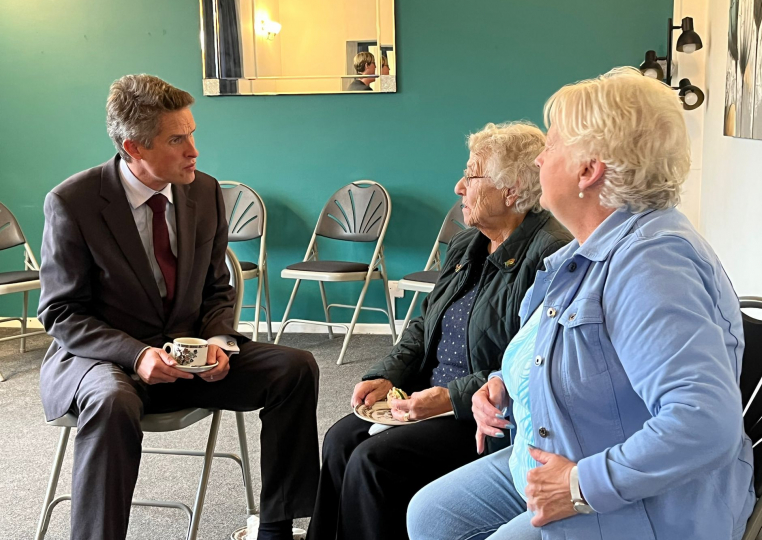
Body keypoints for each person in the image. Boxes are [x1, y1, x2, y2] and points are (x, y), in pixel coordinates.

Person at [408, 67, 756, 540]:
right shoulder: (586, 248)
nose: (537, 162)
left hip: (633, 499)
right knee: (430, 514)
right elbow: (562, 349)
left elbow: (705, 422)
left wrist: (577, 485)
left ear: (588, 171)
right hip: (557, 452)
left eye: (550, 146)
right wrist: (503, 383)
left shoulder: (651, 262)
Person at [37, 74, 320, 540]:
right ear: (135, 148)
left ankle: (276, 525)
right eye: (177, 139)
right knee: (111, 401)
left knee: (295, 368)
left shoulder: (204, 191)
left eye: (192, 133)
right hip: (103, 361)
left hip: (185, 354)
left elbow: (216, 286)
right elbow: (63, 312)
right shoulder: (73, 202)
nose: (194, 150)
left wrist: (218, 341)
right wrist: (137, 355)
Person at [305, 121, 573, 540]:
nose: (458, 187)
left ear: (513, 189)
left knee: (374, 462)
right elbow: (424, 322)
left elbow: (538, 361)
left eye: (471, 174)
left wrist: (452, 397)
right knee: (340, 439)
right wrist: (387, 372)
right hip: (425, 395)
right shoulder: (468, 244)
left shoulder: (550, 252)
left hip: (485, 415)